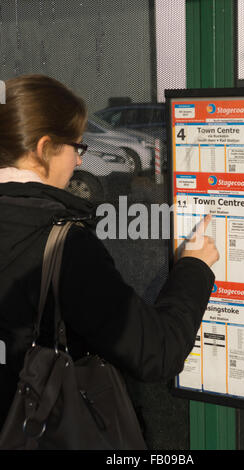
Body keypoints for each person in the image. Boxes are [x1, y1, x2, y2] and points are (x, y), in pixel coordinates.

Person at [0, 74, 219, 432]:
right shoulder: (64, 245)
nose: (79, 163)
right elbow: (156, 352)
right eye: (76, 148)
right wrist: (194, 266)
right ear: (43, 148)